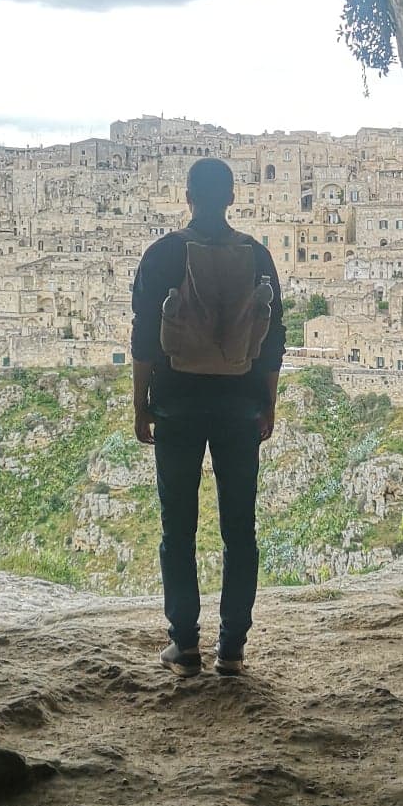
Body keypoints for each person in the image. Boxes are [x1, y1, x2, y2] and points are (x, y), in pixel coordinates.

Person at [131, 156, 284, 676]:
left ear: (188, 196)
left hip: (176, 400)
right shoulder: (258, 256)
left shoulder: (163, 254)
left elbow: (145, 338)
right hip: (239, 403)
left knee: (179, 526)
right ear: (233, 197)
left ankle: (185, 644)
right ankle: (234, 648)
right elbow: (273, 342)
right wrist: (268, 402)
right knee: (240, 528)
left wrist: (140, 403)